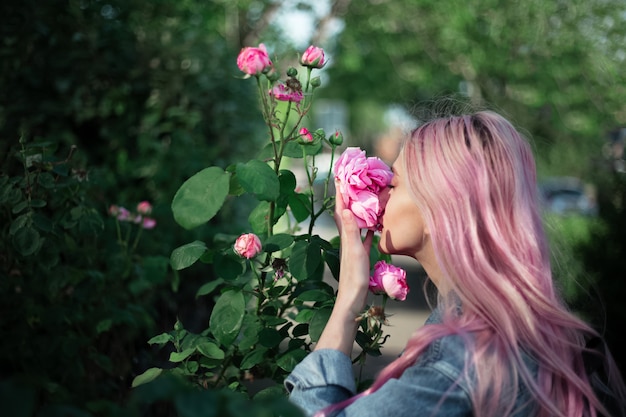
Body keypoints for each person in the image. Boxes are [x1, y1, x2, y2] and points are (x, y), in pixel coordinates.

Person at [284, 109, 626, 417]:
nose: (380, 193)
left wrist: (347, 301)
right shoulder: (520, 330)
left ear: (442, 209)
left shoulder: (461, 360)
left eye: (395, 182)